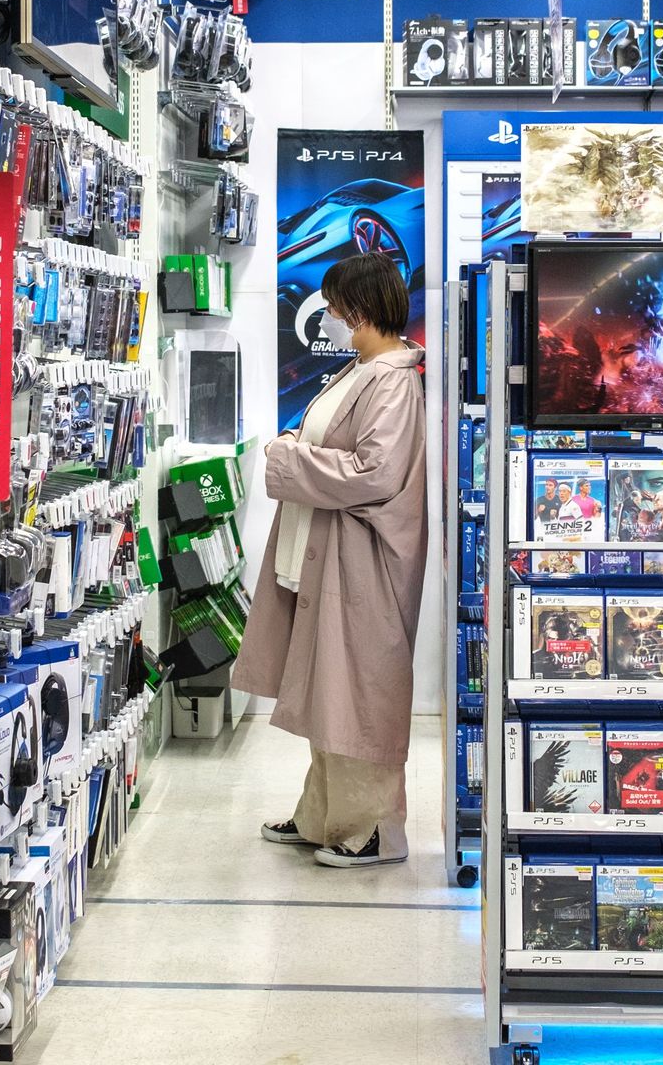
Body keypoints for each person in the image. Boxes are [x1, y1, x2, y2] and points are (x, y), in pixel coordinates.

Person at [231, 253, 427, 869]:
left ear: (360, 309)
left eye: (338, 307)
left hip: (363, 560)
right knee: (328, 688)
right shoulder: (362, 369)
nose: (331, 317)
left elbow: (375, 472)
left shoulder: (393, 379)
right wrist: (298, 448)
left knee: (361, 693)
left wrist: (290, 461)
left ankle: (373, 828)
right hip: (328, 552)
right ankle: (322, 816)